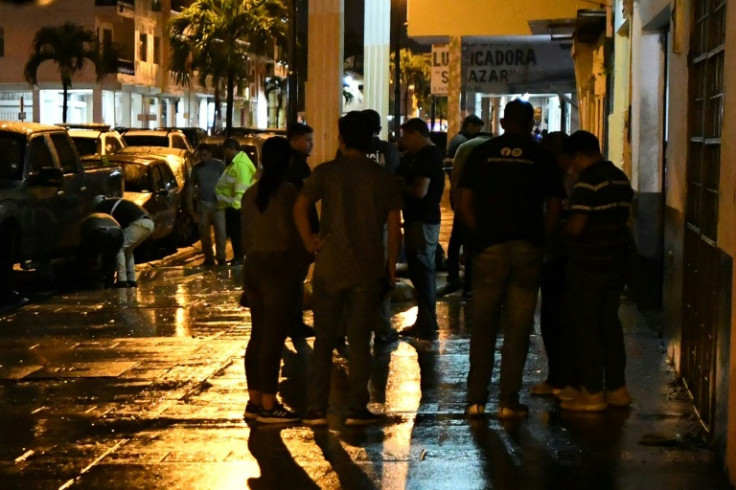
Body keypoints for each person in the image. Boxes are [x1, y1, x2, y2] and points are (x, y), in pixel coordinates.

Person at [457, 99, 564, 419]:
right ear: (531, 124)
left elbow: (463, 201)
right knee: (518, 328)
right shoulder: (542, 156)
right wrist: (539, 241)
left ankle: (475, 400)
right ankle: (508, 401)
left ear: (503, 123)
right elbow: (556, 207)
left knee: (483, 325)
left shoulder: (480, 153)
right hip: (526, 248)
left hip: (489, 249)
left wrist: (480, 237)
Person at [294, 111, 402, 426]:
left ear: (341, 139)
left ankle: (316, 408)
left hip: (330, 266)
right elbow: (395, 228)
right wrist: (391, 266)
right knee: (359, 341)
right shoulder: (384, 178)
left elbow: (300, 206)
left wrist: (310, 242)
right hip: (367, 268)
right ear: (370, 140)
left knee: (324, 340)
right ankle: (357, 406)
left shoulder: (326, 173)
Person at [558, 130, 634, 412]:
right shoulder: (619, 177)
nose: (571, 167)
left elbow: (577, 226)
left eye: (572, 160)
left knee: (587, 327)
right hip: (616, 263)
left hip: (589, 264)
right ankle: (617, 388)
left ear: (578, 155)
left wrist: (559, 228)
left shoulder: (587, 183)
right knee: (610, 325)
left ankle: (592, 393)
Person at [241, 137, 311, 424]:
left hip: (254, 265)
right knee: (273, 337)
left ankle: (255, 399)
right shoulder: (286, 192)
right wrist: (304, 258)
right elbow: (290, 234)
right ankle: (269, 404)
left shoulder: (251, 194)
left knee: (258, 336)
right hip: (278, 267)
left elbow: (245, 238)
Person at [531, 132, 574, 397]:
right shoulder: (574, 179)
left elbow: (552, 214)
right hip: (573, 257)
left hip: (558, 256)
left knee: (554, 317)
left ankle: (560, 378)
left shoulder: (558, 180)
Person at [396, 118, 446, 341]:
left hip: (423, 219)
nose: (403, 141)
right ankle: (424, 320)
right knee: (419, 270)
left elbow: (420, 191)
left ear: (416, 134)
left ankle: (427, 323)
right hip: (417, 218)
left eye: (406, 136)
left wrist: (399, 184)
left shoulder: (428, 156)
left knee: (423, 269)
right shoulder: (417, 156)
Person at [445, 132, 492, 299]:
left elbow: (455, 176)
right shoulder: (487, 148)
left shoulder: (464, 148)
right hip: (477, 204)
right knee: (471, 244)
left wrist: (456, 202)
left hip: (461, 201)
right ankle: (469, 286)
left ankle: (453, 277)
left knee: (456, 240)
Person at [285, 123, 318, 340]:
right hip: (297, 231)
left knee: (294, 279)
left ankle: (292, 321)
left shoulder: (288, 164)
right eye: (307, 140)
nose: (311, 145)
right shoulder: (297, 166)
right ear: (295, 140)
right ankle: (293, 322)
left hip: (290, 230)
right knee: (295, 279)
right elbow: (306, 201)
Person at [94, 195, 155, 288]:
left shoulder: (104, 206)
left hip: (139, 223)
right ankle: (131, 280)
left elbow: (111, 226)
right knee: (128, 249)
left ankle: (122, 280)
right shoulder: (116, 202)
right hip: (148, 223)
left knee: (119, 247)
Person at [215, 138, 257, 266]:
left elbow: (241, 188)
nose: (224, 154)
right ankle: (237, 257)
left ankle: (239, 258)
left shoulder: (240, 165)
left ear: (231, 149)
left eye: (225, 151)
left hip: (236, 207)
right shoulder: (236, 163)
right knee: (235, 233)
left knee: (237, 233)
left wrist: (236, 207)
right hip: (233, 205)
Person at [189, 143, 226, 266]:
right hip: (203, 204)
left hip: (218, 204)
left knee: (221, 232)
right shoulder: (196, 169)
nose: (203, 158)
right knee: (204, 234)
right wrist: (192, 211)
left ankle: (221, 257)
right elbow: (191, 188)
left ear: (210, 153)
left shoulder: (219, 165)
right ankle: (209, 258)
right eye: (201, 155)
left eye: (205, 155)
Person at [78, 212, 124, 289]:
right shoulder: (99, 216)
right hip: (117, 232)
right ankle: (109, 282)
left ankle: (95, 282)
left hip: (99, 232)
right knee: (111, 259)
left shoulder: (85, 223)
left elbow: (84, 241)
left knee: (93, 258)